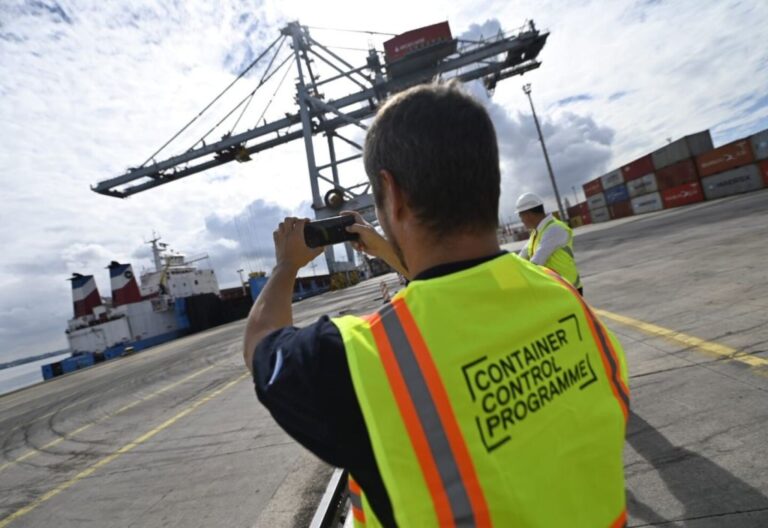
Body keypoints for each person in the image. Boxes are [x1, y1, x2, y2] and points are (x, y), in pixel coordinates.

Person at [243, 82, 629, 527]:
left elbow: (260, 344)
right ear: (491, 180)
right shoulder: (565, 300)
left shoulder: (361, 360)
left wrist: (285, 267)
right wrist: (387, 247)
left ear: (394, 193)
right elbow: (452, 284)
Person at [516, 192, 583, 294]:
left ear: (529, 214)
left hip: (570, 291)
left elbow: (536, 262)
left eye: (521, 216)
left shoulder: (554, 229)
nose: (521, 220)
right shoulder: (536, 232)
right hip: (556, 289)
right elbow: (522, 255)